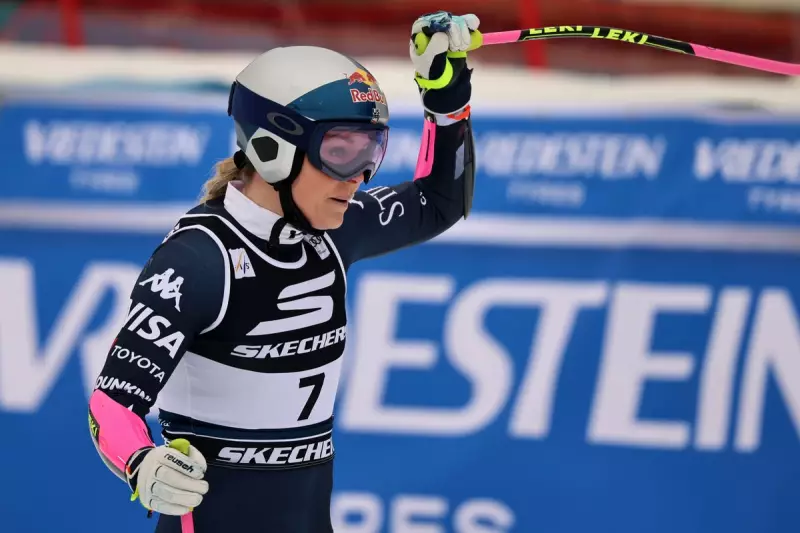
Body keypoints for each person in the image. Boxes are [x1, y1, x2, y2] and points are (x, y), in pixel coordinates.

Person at [88, 11, 480, 533]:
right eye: (339, 152)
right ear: (272, 148)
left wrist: (446, 96)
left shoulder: (334, 229)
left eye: (370, 151)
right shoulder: (200, 259)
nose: (359, 177)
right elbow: (112, 402)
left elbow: (439, 201)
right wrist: (141, 462)